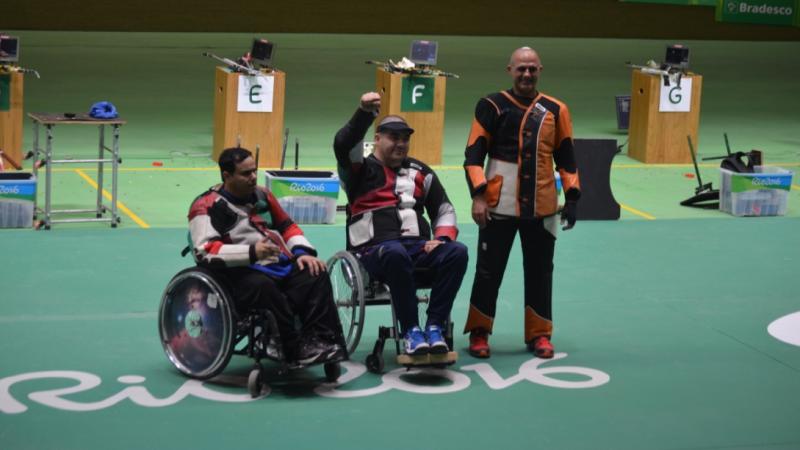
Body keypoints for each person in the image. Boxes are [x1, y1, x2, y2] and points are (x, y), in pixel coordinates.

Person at [463, 47, 581, 359]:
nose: (526, 74)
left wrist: (572, 197)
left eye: (532, 69)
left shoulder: (557, 110)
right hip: (497, 206)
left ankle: (540, 334)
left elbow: (566, 156)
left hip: (543, 209)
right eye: (521, 69)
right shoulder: (491, 105)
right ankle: (479, 332)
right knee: (488, 272)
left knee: (541, 272)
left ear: (540, 69)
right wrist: (478, 196)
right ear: (509, 70)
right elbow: (473, 155)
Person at [333, 92, 468, 356]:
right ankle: (410, 332)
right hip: (373, 253)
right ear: (377, 139)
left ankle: (434, 327)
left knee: (457, 252)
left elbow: (444, 209)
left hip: (417, 249)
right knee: (394, 252)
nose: (401, 144)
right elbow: (343, 144)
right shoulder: (358, 170)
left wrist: (441, 240)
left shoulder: (421, 171)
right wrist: (364, 113)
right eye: (394, 138)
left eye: (405, 139)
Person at [188, 147, 346, 365]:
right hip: (237, 274)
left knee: (314, 273)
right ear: (227, 176)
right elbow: (205, 251)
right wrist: (252, 252)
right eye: (245, 173)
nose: (253, 177)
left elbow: (287, 226)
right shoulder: (205, 206)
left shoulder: (263, 195)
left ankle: (323, 343)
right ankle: (291, 349)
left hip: (276, 264)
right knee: (263, 287)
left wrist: (302, 253)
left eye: (254, 171)